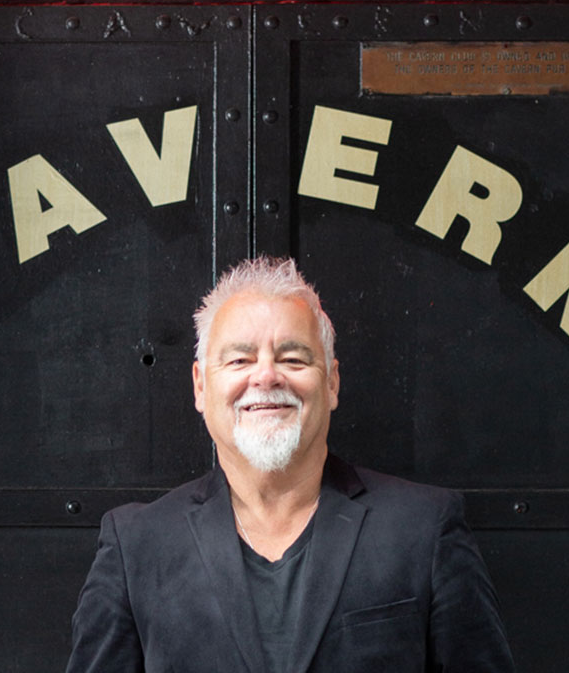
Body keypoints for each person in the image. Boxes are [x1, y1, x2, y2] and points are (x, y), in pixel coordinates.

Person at [65, 256, 516, 673]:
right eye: (240, 359)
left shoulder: (424, 529)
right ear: (201, 386)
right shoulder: (136, 547)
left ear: (332, 381)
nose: (266, 376)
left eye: (293, 358)